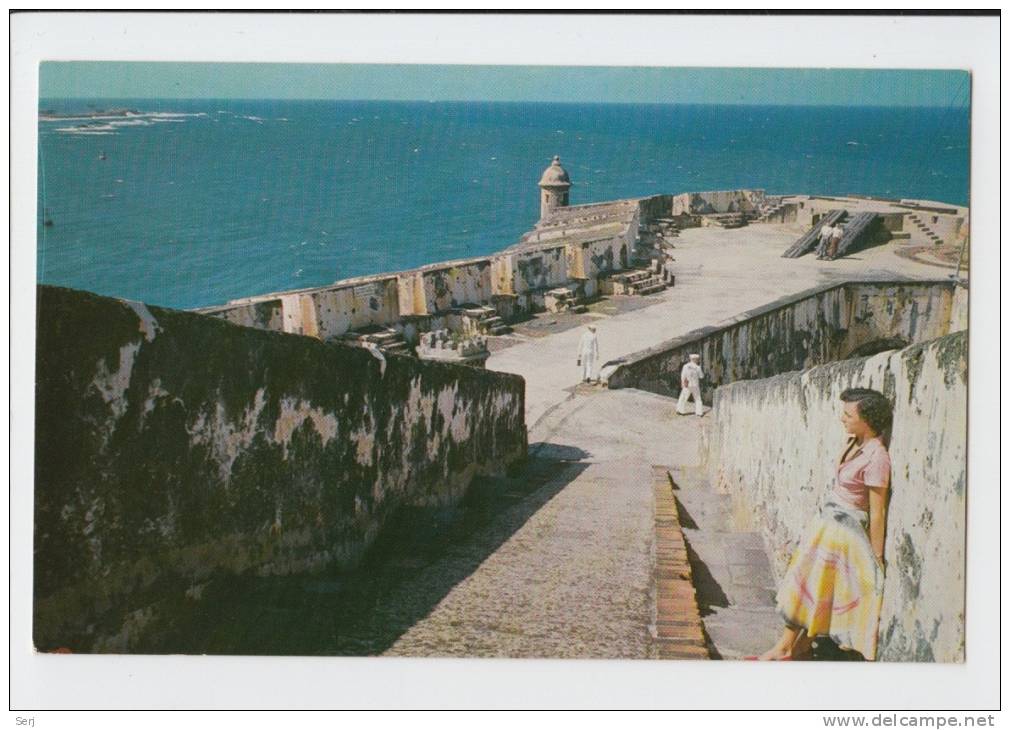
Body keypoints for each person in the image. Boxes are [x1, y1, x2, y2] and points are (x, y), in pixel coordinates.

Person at [752, 388, 893, 661]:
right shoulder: (855, 444)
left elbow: (877, 512)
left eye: (848, 414)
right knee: (808, 584)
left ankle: (785, 648)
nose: (843, 418)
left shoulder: (878, 458)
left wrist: (876, 558)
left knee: (811, 584)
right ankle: (799, 646)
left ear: (867, 419)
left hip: (845, 531)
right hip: (829, 524)